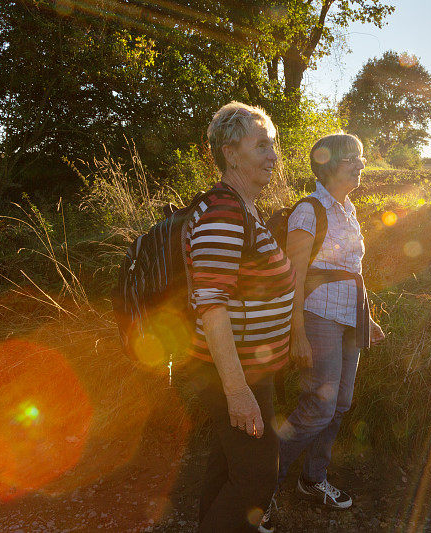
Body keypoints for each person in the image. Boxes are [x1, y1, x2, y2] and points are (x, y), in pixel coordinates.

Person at [185, 101, 295, 532]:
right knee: (256, 477)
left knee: (228, 463)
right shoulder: (225, 213)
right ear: (231, 153)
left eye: (274, 146)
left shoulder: (244, 208)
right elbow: (211, 304)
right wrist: (236, 391)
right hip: (232, 372)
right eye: (263, 145)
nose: (273, 156)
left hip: (247, 368)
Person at [276, 133, 385, 512]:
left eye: (361, 156)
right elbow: (294, 274)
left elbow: (352, 269)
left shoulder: (348, 209)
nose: (361, 164)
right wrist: (297, 332)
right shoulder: (310, 210)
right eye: (352, 158)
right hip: (318, 315)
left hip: (349, 317)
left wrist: (366, 318)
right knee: (318, 407)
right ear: (329, 164)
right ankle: (260, 479)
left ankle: (313, 478)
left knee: (340, 403)